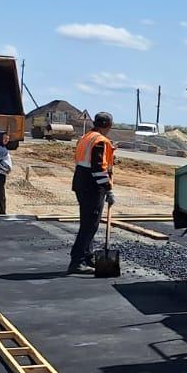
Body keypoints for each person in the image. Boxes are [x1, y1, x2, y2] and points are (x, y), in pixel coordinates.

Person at [68, 112, 116, 274]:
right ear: (108, 125)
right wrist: (108, 189)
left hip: (81, 182)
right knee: (89, 225)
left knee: (88, 223)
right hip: (92, 186)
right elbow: (98, 168)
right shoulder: (100, 141)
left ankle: (87, 257)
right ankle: (77, 261)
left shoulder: (86, 137)